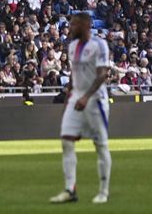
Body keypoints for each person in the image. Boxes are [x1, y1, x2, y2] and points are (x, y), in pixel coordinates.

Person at [50, 12, 111, 204]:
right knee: (66, 141)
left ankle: (103, 190)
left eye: (74, 25)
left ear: (86, 25)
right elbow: (73, 75)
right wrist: (69, 99)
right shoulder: (72, 46)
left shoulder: (99, 45)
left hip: (95, 100)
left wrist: (86, 96)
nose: (70, 28)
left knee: (100, 145)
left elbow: (102, 75)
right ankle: (70, 189)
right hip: (76, 97)